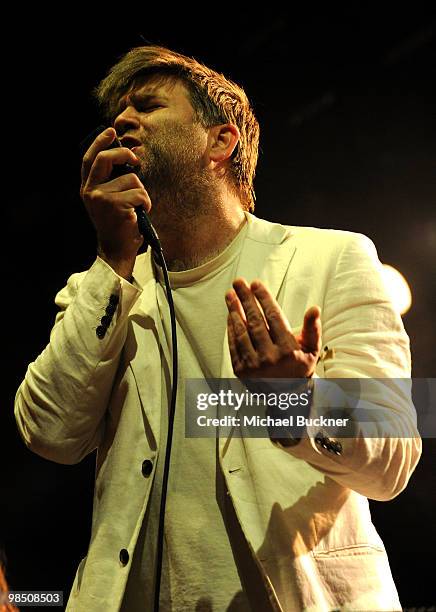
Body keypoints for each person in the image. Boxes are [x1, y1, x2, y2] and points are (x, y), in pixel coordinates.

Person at [14, 45, 421, 611]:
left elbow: (394, 453)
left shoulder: (333, 257)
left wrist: (291, 402)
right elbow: (48, 435)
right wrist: (111, 260)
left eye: (148, 107)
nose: (123, 122)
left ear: (219, 141)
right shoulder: (102, 288)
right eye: (118, 113)